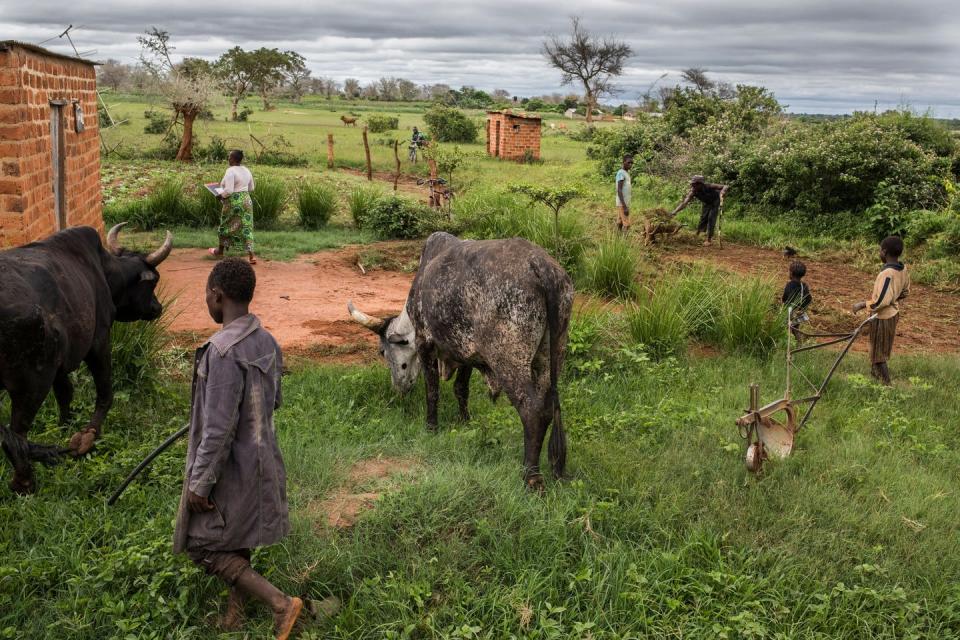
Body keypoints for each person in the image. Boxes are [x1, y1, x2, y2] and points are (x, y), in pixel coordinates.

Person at [172, 258, 302, 638]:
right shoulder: (267, 340)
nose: (207, 304)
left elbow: (217, 430)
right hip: (262, 460)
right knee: (236, 535)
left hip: (231, 468)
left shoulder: (222, 351)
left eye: (206, 297)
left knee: (203, 546)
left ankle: (281, 604)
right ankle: (236, 610)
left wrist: (200, 482)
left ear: (218, 295)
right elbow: (272, 401)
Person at [852, 236, 909, 385]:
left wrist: (862, 304)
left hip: (883, 317)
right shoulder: (903, 269)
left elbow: (881, 301)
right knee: (876, 346)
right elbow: (905, 292)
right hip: (892, 313)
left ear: (884, 252)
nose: (879, 253)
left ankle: (887, 384)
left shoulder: (887, 274)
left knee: (878, 354)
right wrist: (893, 300)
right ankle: (874, 375)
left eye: (879, 250)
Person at [210, 150, 257, 265]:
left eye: (229, 157)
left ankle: (220, 251)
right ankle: (251, 256)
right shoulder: (246, 170)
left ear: (234, 159)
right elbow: (251, 188)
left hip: (234, 201)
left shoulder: (230, 171)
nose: (228, 159)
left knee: (225, 224)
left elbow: (229, 190)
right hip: (246, 200)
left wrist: (220, 195)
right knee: (246, 226)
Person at [671, 175, 728, 246]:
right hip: (706, 203)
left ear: (700, 184)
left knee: (711, 218)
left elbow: (725, 186)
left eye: (694, 184)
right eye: (692, 184)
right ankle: (697, 234)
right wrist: (674, 212)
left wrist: (723, 191)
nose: (692, 186)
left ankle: (708, 240)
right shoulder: (693, 192)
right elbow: (684, 203)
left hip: (715, 201)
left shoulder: (709, 186)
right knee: (703, 218)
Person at [782, 260, 813, 340]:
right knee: (795, 328)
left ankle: (787, 343)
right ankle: (798, 342)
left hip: (790, 312)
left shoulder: (789, 285)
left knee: (785, 328)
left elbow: (785, 298)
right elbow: (809, 298)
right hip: (799, 312)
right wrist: (803, 308)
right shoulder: (804, 285)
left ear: (791, 273)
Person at [615, 155, 633, 232]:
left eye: (632, 163)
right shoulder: (621, 173)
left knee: (620, 221)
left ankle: (616, 238)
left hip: (625, 202)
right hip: (622, 203)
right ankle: (624, 242)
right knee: (627, 224)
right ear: (623, 162)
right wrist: (624, 206)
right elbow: (619, 190)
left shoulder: (626, 173)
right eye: (628, 162)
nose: (630, 164)